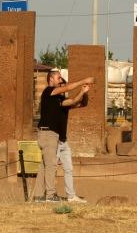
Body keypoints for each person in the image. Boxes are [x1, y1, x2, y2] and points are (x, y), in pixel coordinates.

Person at [35, 69, 93, 202]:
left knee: (50, 166)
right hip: (48, 134)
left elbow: (76, 102)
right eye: (59, 78)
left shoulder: (60, 101)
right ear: (51, 79)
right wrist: (83, 81)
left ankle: (47, 196)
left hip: (58, 138)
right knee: (50, 166)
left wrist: (84, 92)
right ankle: (49, 196)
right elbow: (68, 90)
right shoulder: (48, 91)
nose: (61, 82)